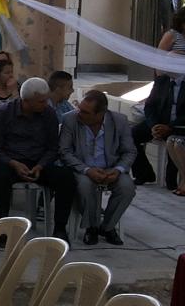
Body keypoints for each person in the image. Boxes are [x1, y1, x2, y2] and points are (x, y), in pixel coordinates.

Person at [0, 77, 77, 236]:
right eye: (41, 102)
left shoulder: (48, 114)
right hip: (11, 163)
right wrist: (13, 163)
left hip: (38, 162)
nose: (45, 104)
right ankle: (1, 229)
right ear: (27, 101)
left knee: (66, 177)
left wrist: (41, 165)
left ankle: (60, 229)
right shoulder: (4, 113)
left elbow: (52, 147)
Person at [59, 90, 137, 245]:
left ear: (101, 113)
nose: (79, 113)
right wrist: (87, 170)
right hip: (82, 168)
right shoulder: (70, 119)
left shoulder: (119, 121)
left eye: (85, 112)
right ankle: (91, 227)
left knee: (127, 187)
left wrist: (118, 170)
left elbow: (130, 151)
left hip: (111, 168)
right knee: (84, 186)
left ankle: (107, 227)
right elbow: (64, 151)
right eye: (80, 108)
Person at [130, 70, 185, 186]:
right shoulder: (161, 81)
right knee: (131, 135)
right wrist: (154, 125)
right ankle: (144, 173)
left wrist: (169, 127)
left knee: (170, 183)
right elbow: (149, 106)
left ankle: (173, 178)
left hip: (179, 125)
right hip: (158, 122)